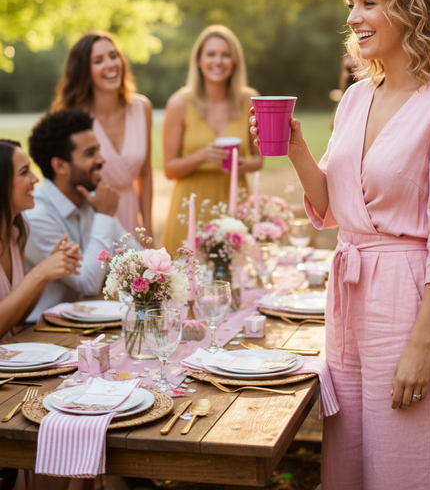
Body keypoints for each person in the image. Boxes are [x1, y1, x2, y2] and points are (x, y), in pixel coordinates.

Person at [251, 0, 430, 490]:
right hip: (350, 303)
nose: (353, 18)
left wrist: (420, 347)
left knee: (407, 466)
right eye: (351, 4)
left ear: (413, 7)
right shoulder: (357, 97)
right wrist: (294, 148)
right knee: (348, 463)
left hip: (412, 304)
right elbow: (333, 202)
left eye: (369, 2)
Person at [24, 109, 135, 321]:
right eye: (90, 153)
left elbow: (135, 259)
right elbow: (87, 283)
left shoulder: (91, 197)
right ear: (59, 166)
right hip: (40, 331)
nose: (102, 160)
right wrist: (104, 215)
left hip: (88, 323)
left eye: (99, 151)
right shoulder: (35, 216)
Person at [162, 25, 263, 254]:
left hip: (235, 204)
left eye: (226, 55)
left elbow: (259, 160)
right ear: (199, 60)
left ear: (235, 61)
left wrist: (242, 164)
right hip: (190, 207)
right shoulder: (179, 104)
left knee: (236, 282)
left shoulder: (250, 100)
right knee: (187, 283)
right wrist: (201, 156)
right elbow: (169, 169)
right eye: (211, 54)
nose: (218, 61)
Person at [53, 31, 153, 238]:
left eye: (113, 56)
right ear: (84, 71)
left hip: (131, 217)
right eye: (98, 60)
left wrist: (148, 231)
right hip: (90, 219)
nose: (110, 64)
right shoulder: (71, 118)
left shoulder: (142, 108)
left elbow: (146, 175)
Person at [0, 139, 81, 341]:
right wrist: (39, 273)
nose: (35, 178)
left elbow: (15, 319)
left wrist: (47, 274)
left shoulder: (15, 235)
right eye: (24, 171)